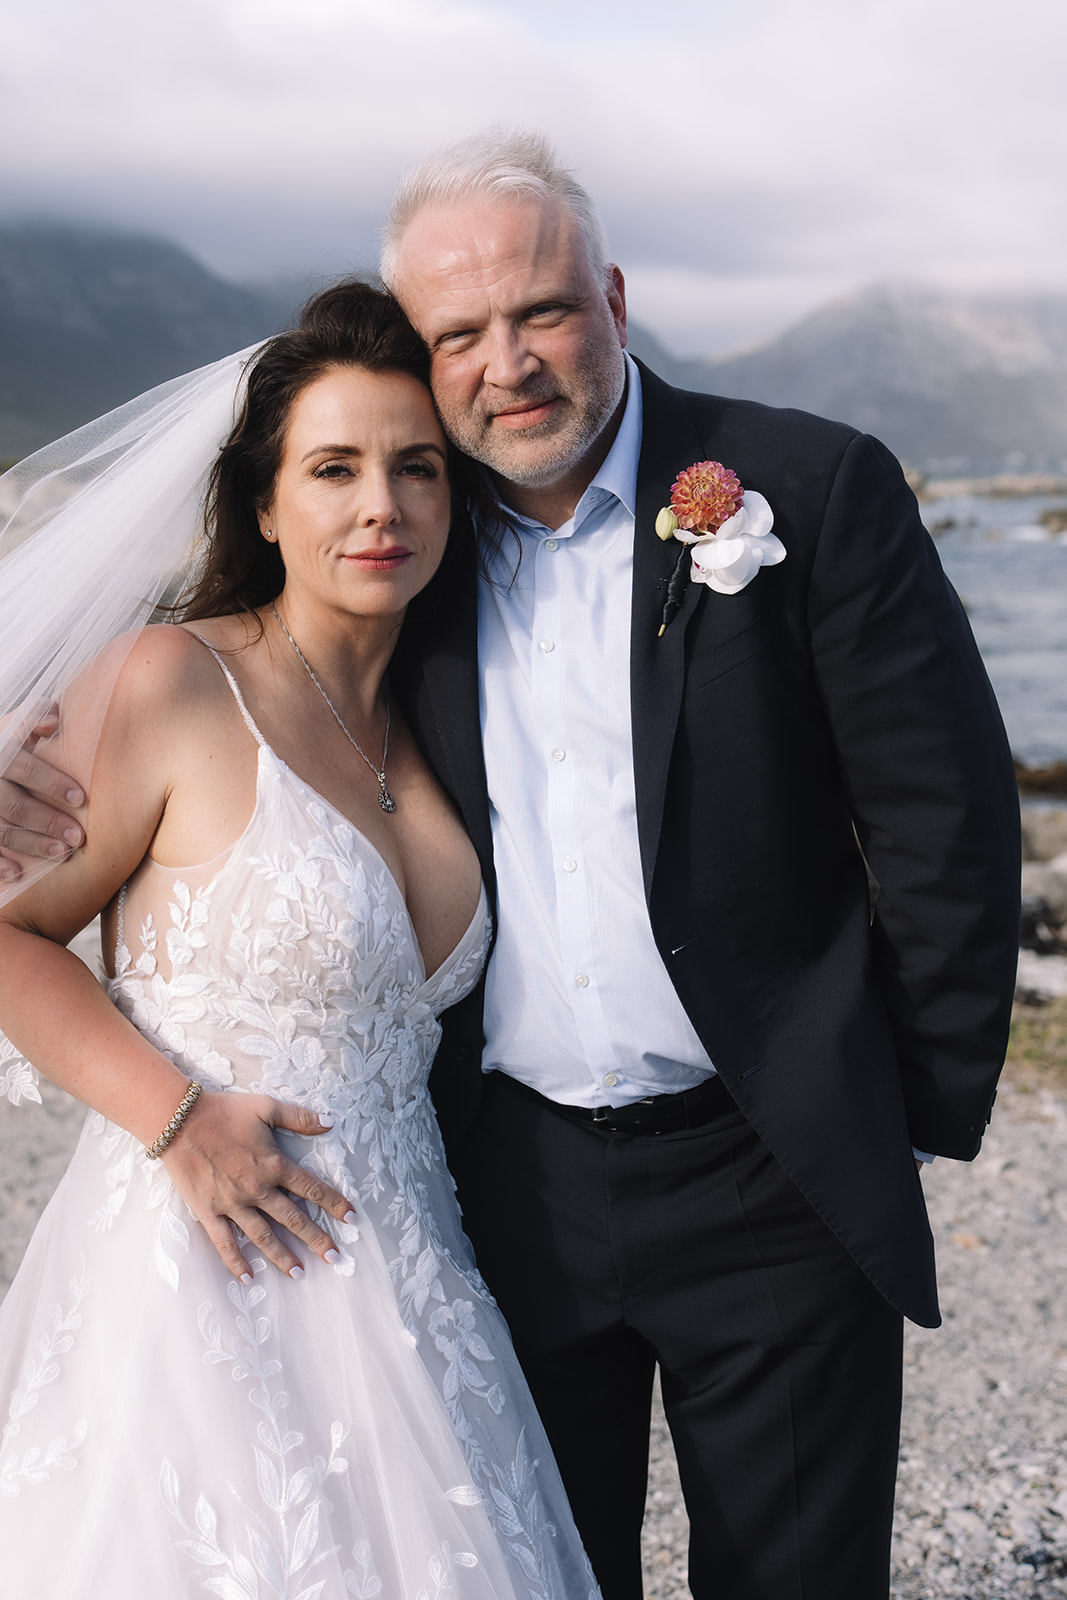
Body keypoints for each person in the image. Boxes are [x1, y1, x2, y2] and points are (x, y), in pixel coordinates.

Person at [2, 132, 1022, 1600]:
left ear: (610, 295)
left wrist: (882, 1111)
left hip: (766, 1177)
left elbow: (949, 824)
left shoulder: (805, 486)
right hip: (501, 1190)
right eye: (459, 335)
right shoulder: (407, 557)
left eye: (540, 312)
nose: (508, 364)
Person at [0, 281, 599, 1598]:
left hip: (419, 1301)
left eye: (416, 468)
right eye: (333, 468)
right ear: (263, 504)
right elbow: (10, 937)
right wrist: (178, 1120)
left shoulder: (444, 738)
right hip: (199, 1281)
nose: (381, 505)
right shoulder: (168, 681)